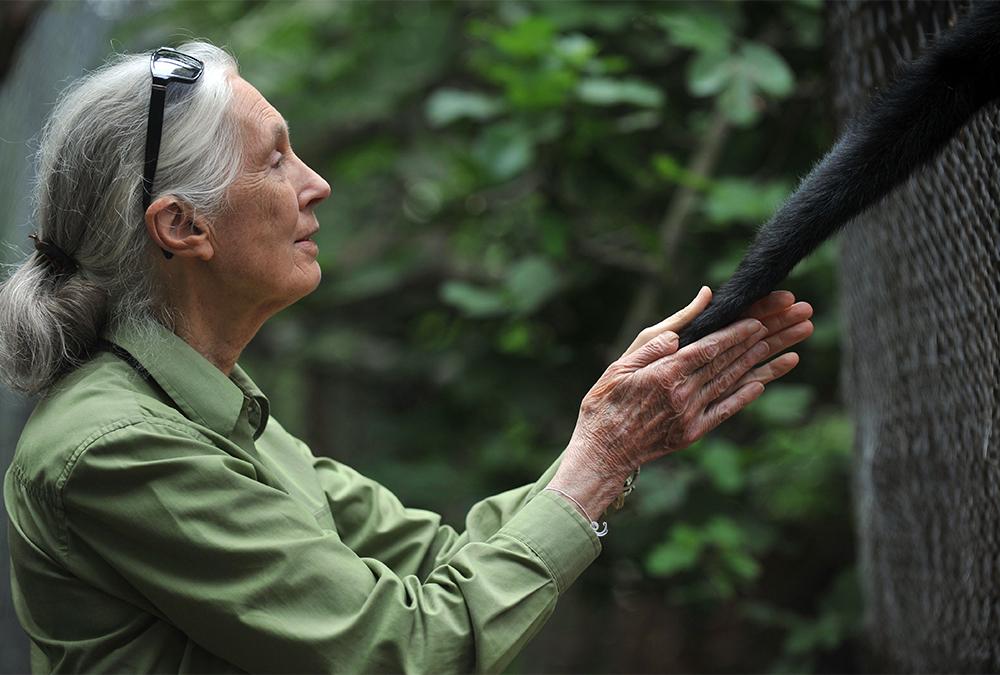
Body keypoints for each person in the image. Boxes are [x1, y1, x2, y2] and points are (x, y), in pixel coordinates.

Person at [0, 43, 814, 674]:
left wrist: (611, 435)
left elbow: (444, 563)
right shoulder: (118, 446)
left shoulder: (208, 403)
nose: (316, 184)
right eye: (277, 159)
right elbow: (405, 649)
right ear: (183, 226)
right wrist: (603, 454)